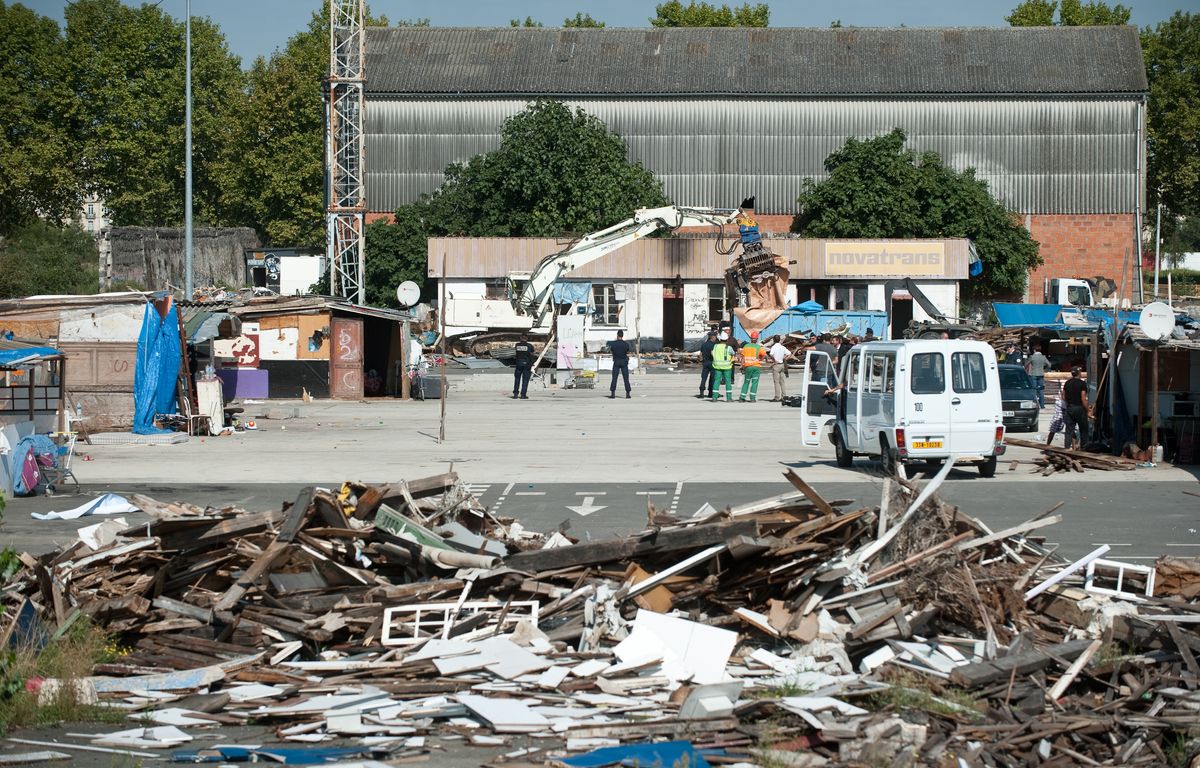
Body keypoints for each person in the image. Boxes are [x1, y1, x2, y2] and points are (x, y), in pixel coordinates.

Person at [1061, 366, 1091, 450]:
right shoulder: (1082, 383)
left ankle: (1066, 449)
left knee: (1069, 431)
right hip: (1079, 409)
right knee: (1083, 430)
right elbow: (1083, 399)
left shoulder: (1067, 383)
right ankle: (1084, 449)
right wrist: (1088, 409)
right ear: (1079, 373)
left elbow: (1063, 396)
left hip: (1070, 408)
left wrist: (1069, 402)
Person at [738, 330, 768, 402]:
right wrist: (760, 359)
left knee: (746, 382)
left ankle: (742, 397)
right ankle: (752, 398)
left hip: (747, 367)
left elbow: (743, 357)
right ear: (757, 339)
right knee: (754, 382)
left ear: (750, 338)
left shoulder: (746, 346)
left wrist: (741, 366)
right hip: (756, 367)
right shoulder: (758, 347)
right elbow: (765, 355)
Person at [767, 335, 793, 402]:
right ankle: (784, 396)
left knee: (776, 382)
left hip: (776, 365)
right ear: (779, 340)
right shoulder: (782, 347)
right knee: (782, 382)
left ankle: (777, 397)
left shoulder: (773, 347)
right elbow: (789, 353)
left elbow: (771, 354)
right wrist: (785, 358)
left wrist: (774, 360)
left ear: (774, 340)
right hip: (782, 365)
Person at [607, 330, 631, 399]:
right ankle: (628, 393)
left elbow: (612, 351)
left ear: (617, 335)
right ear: (622, 335)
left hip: (616, 361)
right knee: (626, 378)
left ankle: (613, 393)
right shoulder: (626, 344)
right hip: (624, 361)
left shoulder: (613, 344)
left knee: (614, 378)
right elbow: (627, 351)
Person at [711, 334, 735, 402]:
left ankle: (714, 397)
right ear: (727, 340)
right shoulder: (728, 347)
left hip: (717, 366)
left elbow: (712, 353)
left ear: (720, 339)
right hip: (727, 367)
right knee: (728, 382)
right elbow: (733, 353)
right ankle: (729, 398)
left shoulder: (715, 346)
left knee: (716, 381)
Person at [512, 333, 534, 399]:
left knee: (517, 379)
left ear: (520, 338)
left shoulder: (517, 345)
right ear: (527, 339)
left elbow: (516, 354)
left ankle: (515, 394)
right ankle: (523, 395)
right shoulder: (529, 346)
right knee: (525, 380)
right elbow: (532, 354)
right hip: (527, 365)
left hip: (518, 364)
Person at [698, 331, 717, 399]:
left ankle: (701, 392)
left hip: (705, 363)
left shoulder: (704, 344)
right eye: (715, 337)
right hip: (712, 362)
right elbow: (713, 354)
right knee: (712, 378)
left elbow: (700, 355)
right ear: (713, 337)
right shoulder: (714, 345)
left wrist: (702, 361)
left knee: (704, 378)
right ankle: (710, 392)